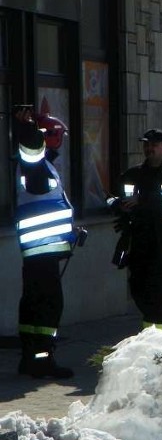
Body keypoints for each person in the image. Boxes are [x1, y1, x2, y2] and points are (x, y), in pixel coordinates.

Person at [14, 105, 81, 378]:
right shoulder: (35, 165)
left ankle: (29, 358)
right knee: (48, 307)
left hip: (39, 249)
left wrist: (71, 232)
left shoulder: (44, 167)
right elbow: (31, 152)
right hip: (43, 249)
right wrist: (29, 131)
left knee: (32, 304)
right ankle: (42, 360)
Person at [111, 128, 162, 329]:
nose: (149, 149)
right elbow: (117, 198)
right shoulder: (133, 174)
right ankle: (152, 329)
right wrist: (117, 205)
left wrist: (143, 200)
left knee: (157, 291)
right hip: (138, 241)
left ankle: (154, 336)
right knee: (137, 287)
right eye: (146, 145)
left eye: (154, 145)